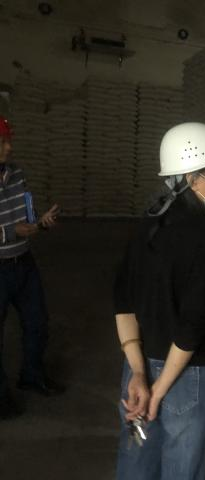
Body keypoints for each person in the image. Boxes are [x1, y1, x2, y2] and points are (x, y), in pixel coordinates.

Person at [113, 122, 205, 480]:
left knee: (138, 466)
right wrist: (159, 390)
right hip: (187, 375)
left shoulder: (148, 223)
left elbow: (122, 301)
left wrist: (139, 373)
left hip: (138, 368)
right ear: (194, 178)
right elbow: (193, 324)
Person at [0, 115, 63, 421]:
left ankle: (32, 375)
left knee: (37, 322)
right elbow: (14, 227)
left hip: (23, 262)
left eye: (8, 141)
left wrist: (41, 222)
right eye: (2, 142)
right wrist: (11, 231)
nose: (9, 147)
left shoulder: (17, 174)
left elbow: (27, 215)